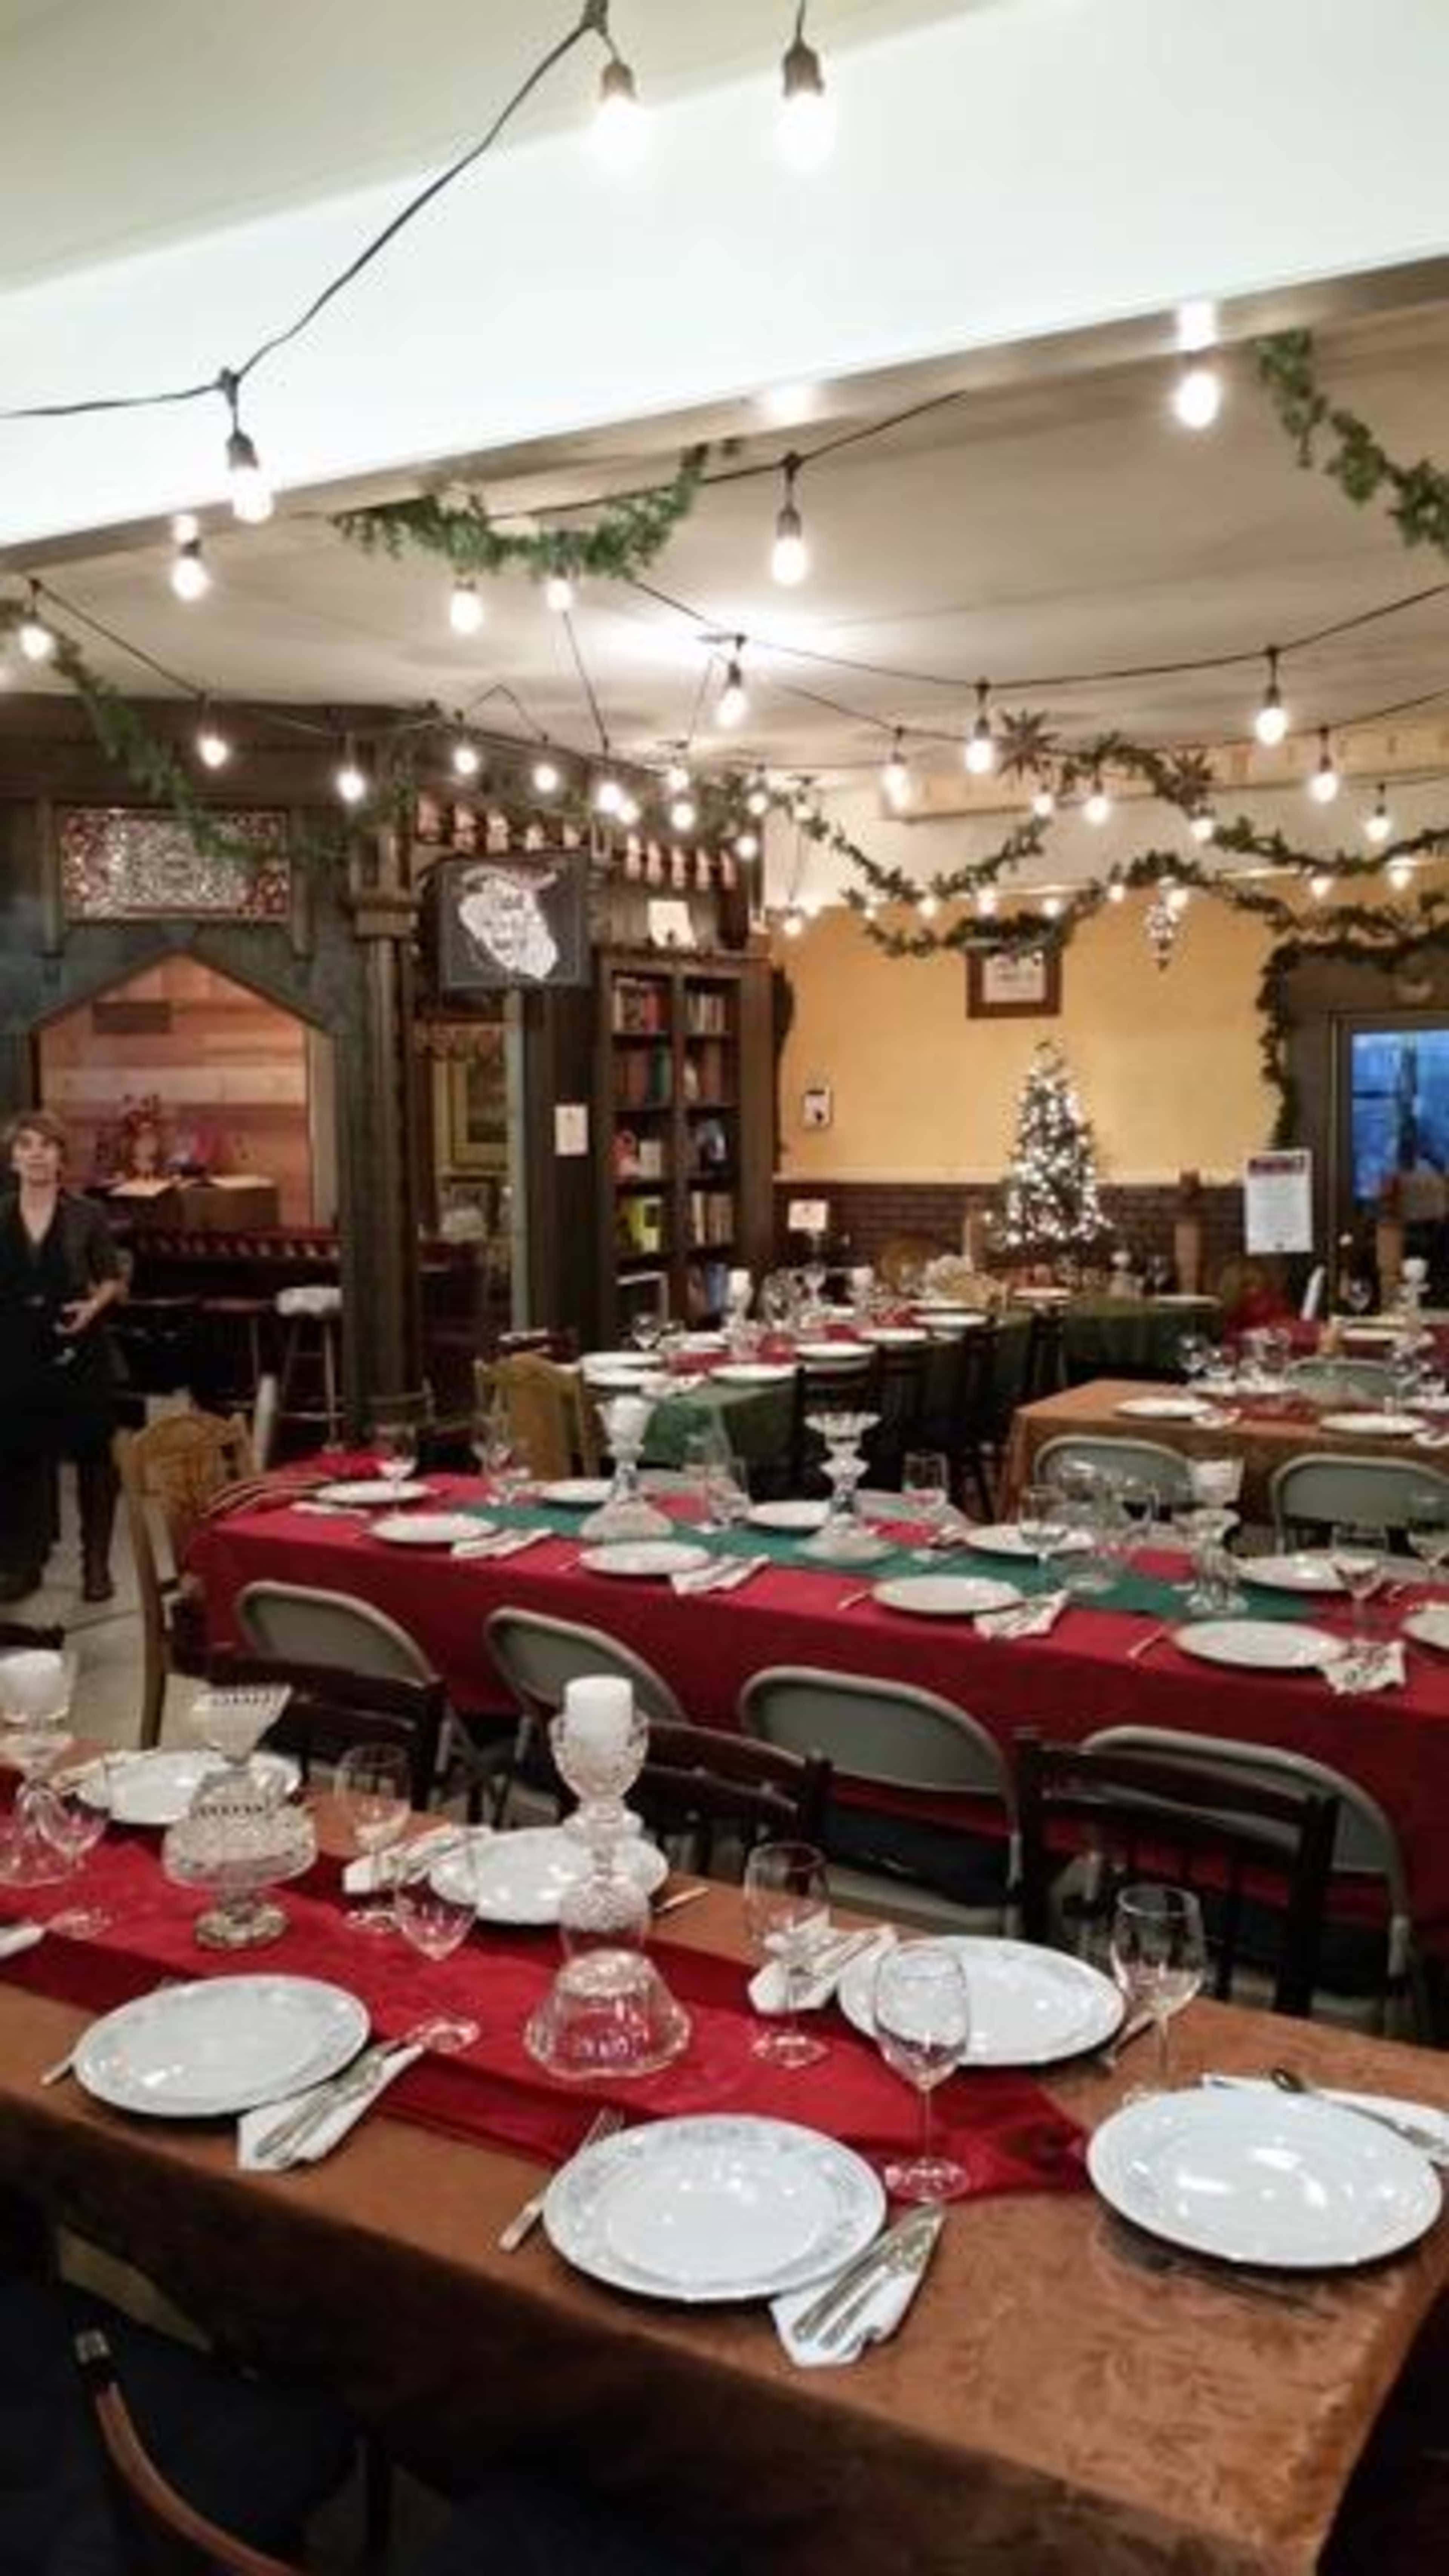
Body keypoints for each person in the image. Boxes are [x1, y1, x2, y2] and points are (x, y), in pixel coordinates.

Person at [0, 1111, 125, 1604]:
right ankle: (23, 1563)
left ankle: (95, 1565)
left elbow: (113, 1278)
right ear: (12, 1159)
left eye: (47, 1146)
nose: (36, 1154)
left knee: (95, 1456)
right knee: (15, 1456)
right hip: (13, 1350)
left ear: (60, 1158)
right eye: (26, 1146)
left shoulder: (87, 1214)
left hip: (78, 1347)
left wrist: (92, 1307)